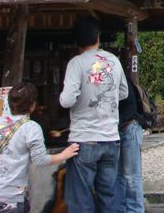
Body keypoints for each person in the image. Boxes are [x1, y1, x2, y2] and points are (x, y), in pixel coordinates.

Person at [59, 18, 128, 213]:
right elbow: (124, 93)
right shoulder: (113, 61)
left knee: (81, 199)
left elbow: (66, 101)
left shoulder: (76, 63)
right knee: (108, 196)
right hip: (111, 139)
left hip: (84, 139)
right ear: (98, 37)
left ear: (76, 41)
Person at [0, 82, 79, 212]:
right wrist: (64, 155)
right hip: (11, 197)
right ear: (32, 106)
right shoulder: (31, 127)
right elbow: (40, 160)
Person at [110, 64, 145, 213]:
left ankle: (135, 209)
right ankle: (121, 209)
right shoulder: (120, 79)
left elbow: (127, 110)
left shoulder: (122, 82)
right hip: (119, 130)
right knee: (118, 175)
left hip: (129, 128)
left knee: (131, 175)